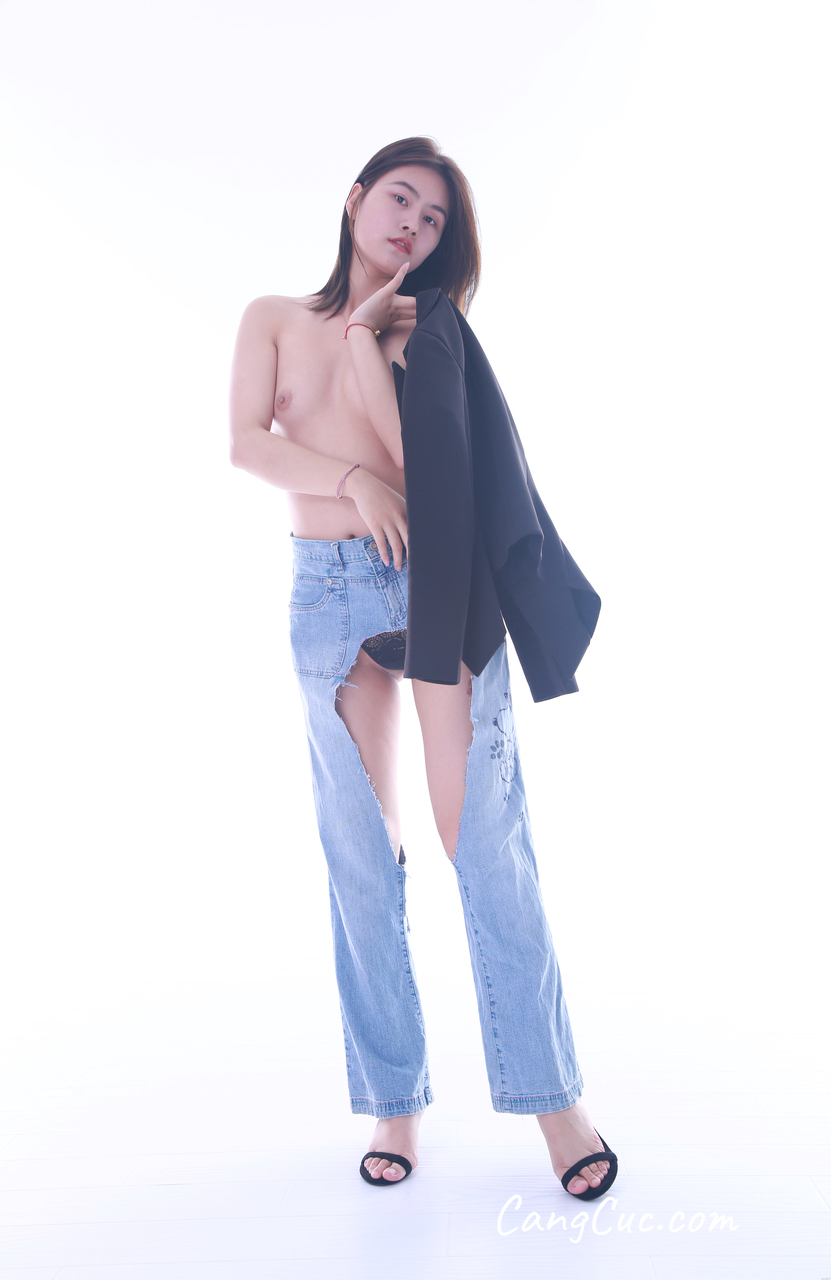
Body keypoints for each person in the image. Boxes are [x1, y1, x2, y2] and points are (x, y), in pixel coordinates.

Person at [228, 137, 617, 1200]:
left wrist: (368, 342)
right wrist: (351, 481)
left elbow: (427, 471)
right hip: (328, 591)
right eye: (400, 199)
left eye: (433, 218)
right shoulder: (271, 317)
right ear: (355, 199)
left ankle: (555, 1101)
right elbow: (248, 445)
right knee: (362, 850)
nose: (412, 223)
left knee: (484, 837)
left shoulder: (425, 329)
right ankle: (393, 1098)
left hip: (436, 581)